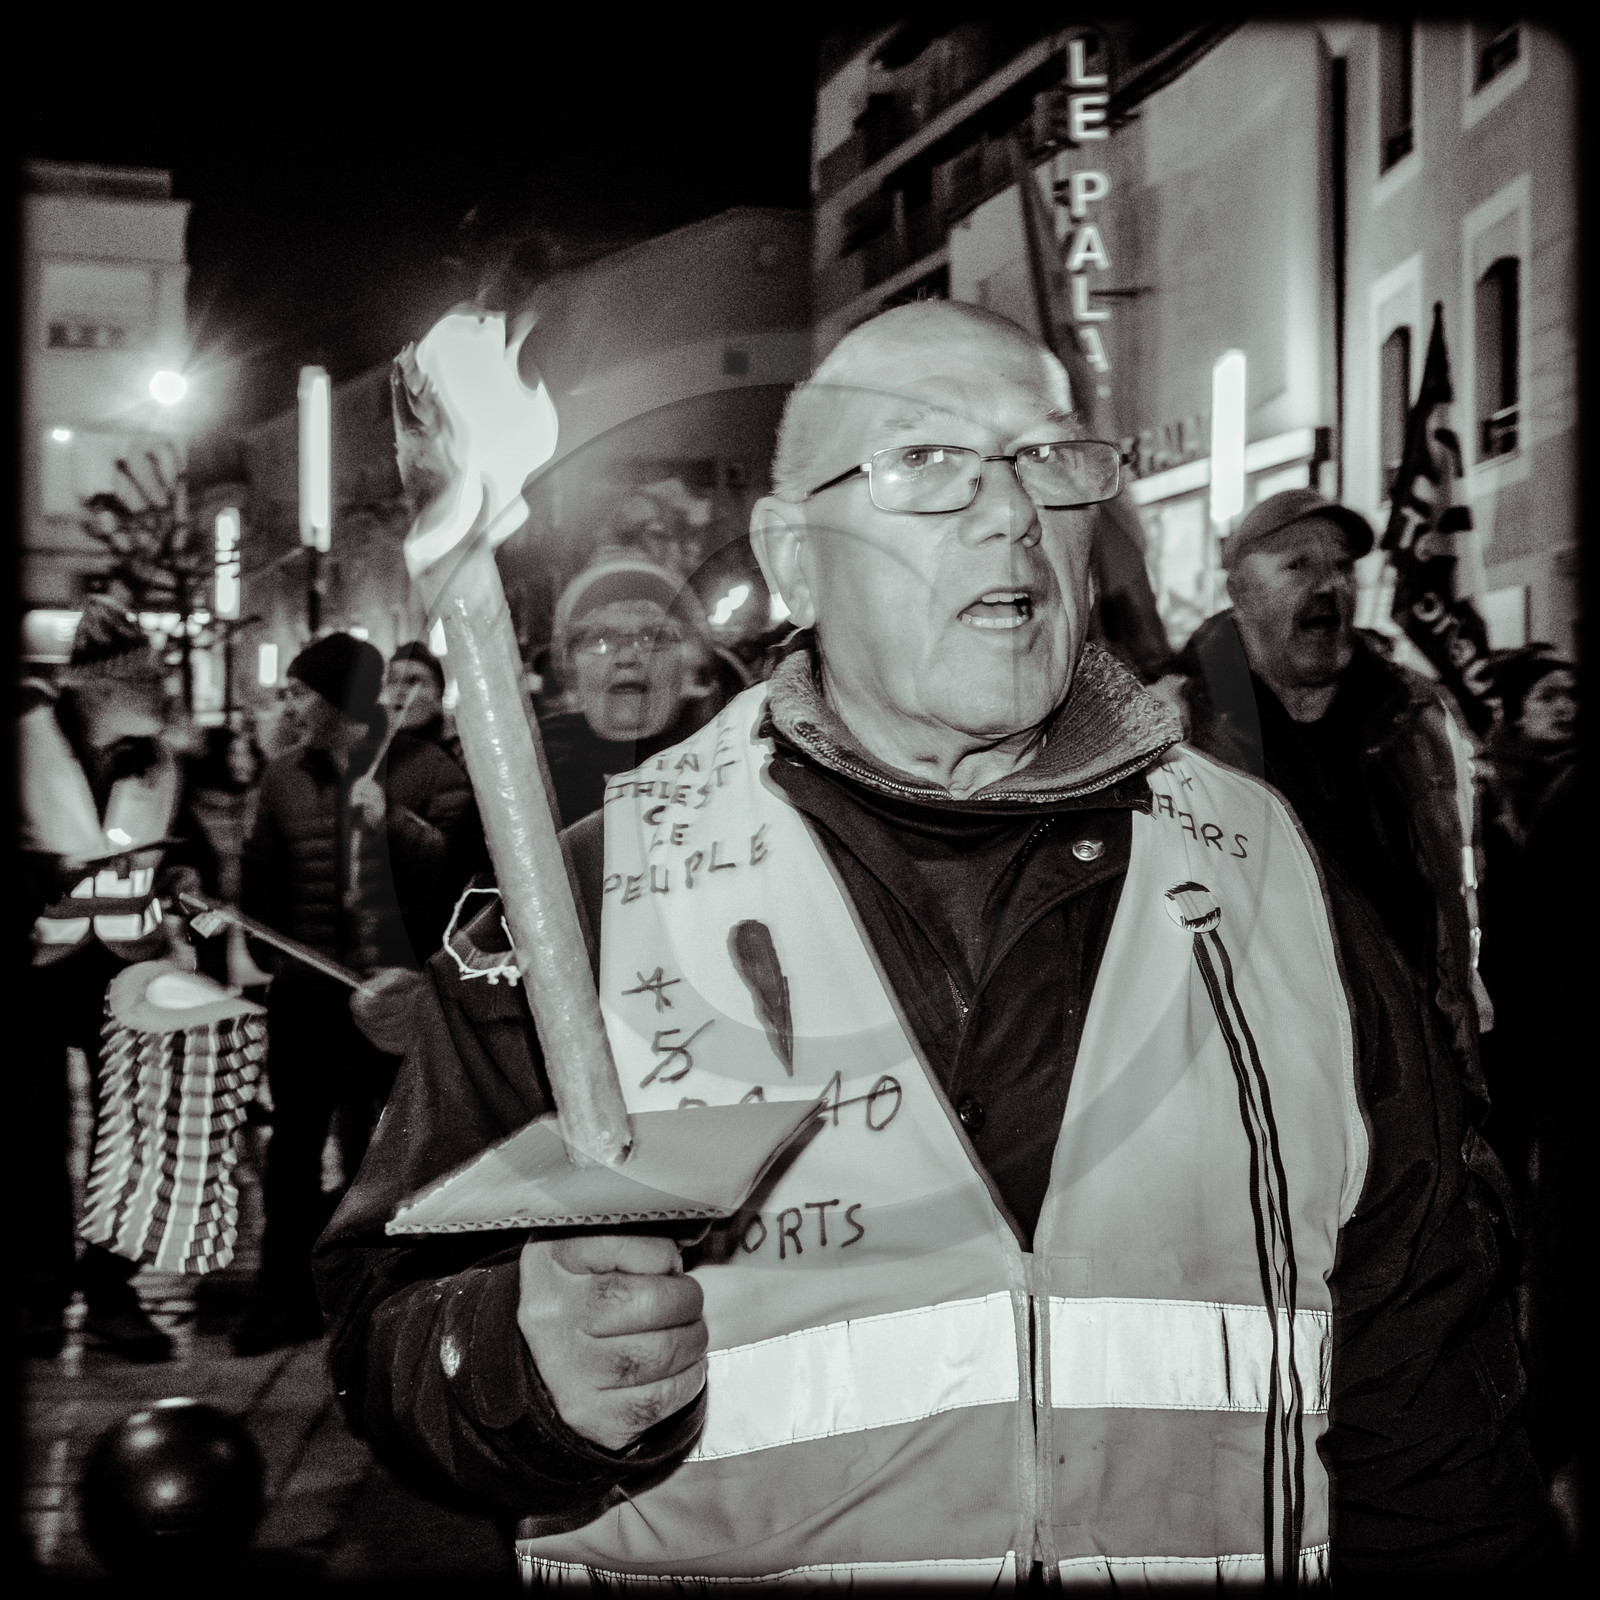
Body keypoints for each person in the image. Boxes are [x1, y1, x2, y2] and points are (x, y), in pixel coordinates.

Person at [319, 303, 1557, 1584]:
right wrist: (520, 1364)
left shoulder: (1280, 876)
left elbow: (1433, 1387)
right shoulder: (594, 896)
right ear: (794, 557)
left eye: (1049, 459)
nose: (1011, 511)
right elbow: (391, 1326)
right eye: (925, 464)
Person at [1171, 490, 1492, 1106]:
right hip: (1253, 1085)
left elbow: (1464, 889)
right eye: (1297, 566)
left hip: (1413, 1075)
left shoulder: (1418, 718)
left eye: (1342, 567)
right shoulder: (1178, 728)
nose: (1329, 586)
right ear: (1239, 592)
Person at [233, 632, 479, 1355]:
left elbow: (463, 884)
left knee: (403, 1146)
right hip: (309, 996)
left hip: (397, 996)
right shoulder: (282, 780)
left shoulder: (426, 768)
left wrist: (395, 828)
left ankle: (399, 1292)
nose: (290, 706)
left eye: (300, 693)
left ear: (337, 698)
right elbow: (262, 888)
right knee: (293, 1147)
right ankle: (282, 1294)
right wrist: (275, 956)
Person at [17, 599, 208, 1361]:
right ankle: (35, 1292)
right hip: (32, 963)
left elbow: (182, 859)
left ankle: (109, 1289)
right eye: (146, 678)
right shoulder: (25, 742)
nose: (160, 690)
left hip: (123, 962)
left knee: (129, 1136)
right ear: (97, 685)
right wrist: (46, 875)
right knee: (30, 1132)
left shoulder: (159, 758)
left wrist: (190, 899)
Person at [1475, 648, 1577, 1185]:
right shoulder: (1488, 788)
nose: (1565, 708)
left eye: (1572, 694)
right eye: (1547, 696)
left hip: (1564, 986)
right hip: (1511, 987)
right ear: (1516, 710)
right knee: (1510, 1126)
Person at [537, 558, 719, 827]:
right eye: (599, 639)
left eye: (653, 637)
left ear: (689, 670)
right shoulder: (531, 786)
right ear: (571, 676)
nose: (626, 656)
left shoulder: (735, 769)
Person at [385, 638, 465, 768]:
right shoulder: (367, 756)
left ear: (438, 693)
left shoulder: (460, 756)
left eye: (414, 681)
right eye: (392, 680)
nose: (400, 690)